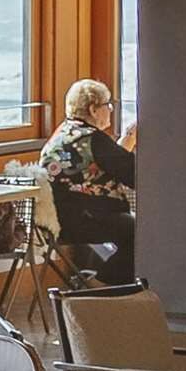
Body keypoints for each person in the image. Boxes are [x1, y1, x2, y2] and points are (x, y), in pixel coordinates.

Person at [40, 78, 140, 284]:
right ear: (94, 110)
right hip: (85, 219)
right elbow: (136, 175)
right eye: (107, 104)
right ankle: (100, 284)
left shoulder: (63, 133)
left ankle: (99, 282)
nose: (110, 109)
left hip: (57, 221)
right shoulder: (93, 139)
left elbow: (107, 164)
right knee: (144, 234)